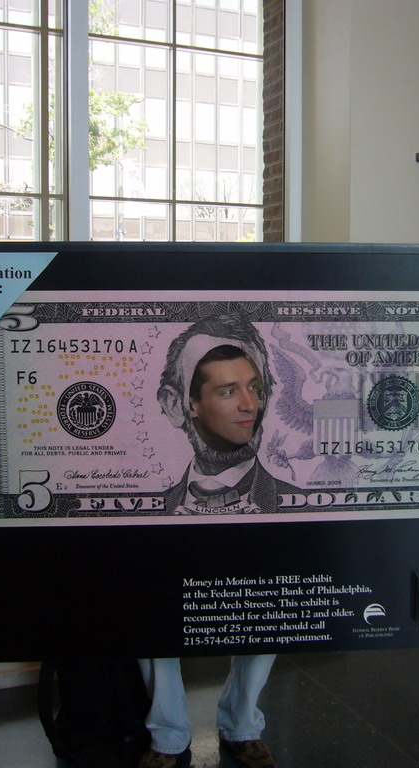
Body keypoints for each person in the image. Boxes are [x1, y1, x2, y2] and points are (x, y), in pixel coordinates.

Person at [139, 314, 279, 768]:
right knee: (151, 612)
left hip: (261, 541)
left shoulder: (290, 501)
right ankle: (168, 734)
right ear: (180, 405)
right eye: (227, 390)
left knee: (271, 608)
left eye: (254, 388)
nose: (249, 405)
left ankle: (242, 725)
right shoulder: (155, 504)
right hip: (171, 544)